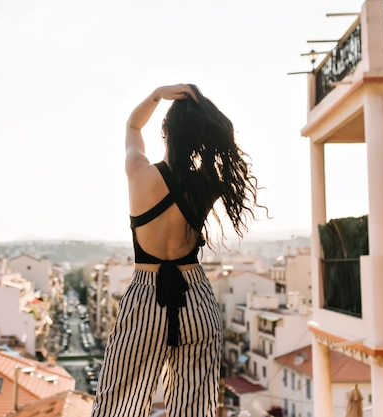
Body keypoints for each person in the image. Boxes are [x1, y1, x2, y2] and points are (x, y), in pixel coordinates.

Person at [90, 84, 261, 417]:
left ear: (165, 131)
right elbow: (225, 136)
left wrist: (157, 94)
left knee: (117, 403)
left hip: (145, 299)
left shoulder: (139, 172)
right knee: (194, 408)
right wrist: (204, 111)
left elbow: (133, 127)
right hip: (196, 298)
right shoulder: (207, 183)